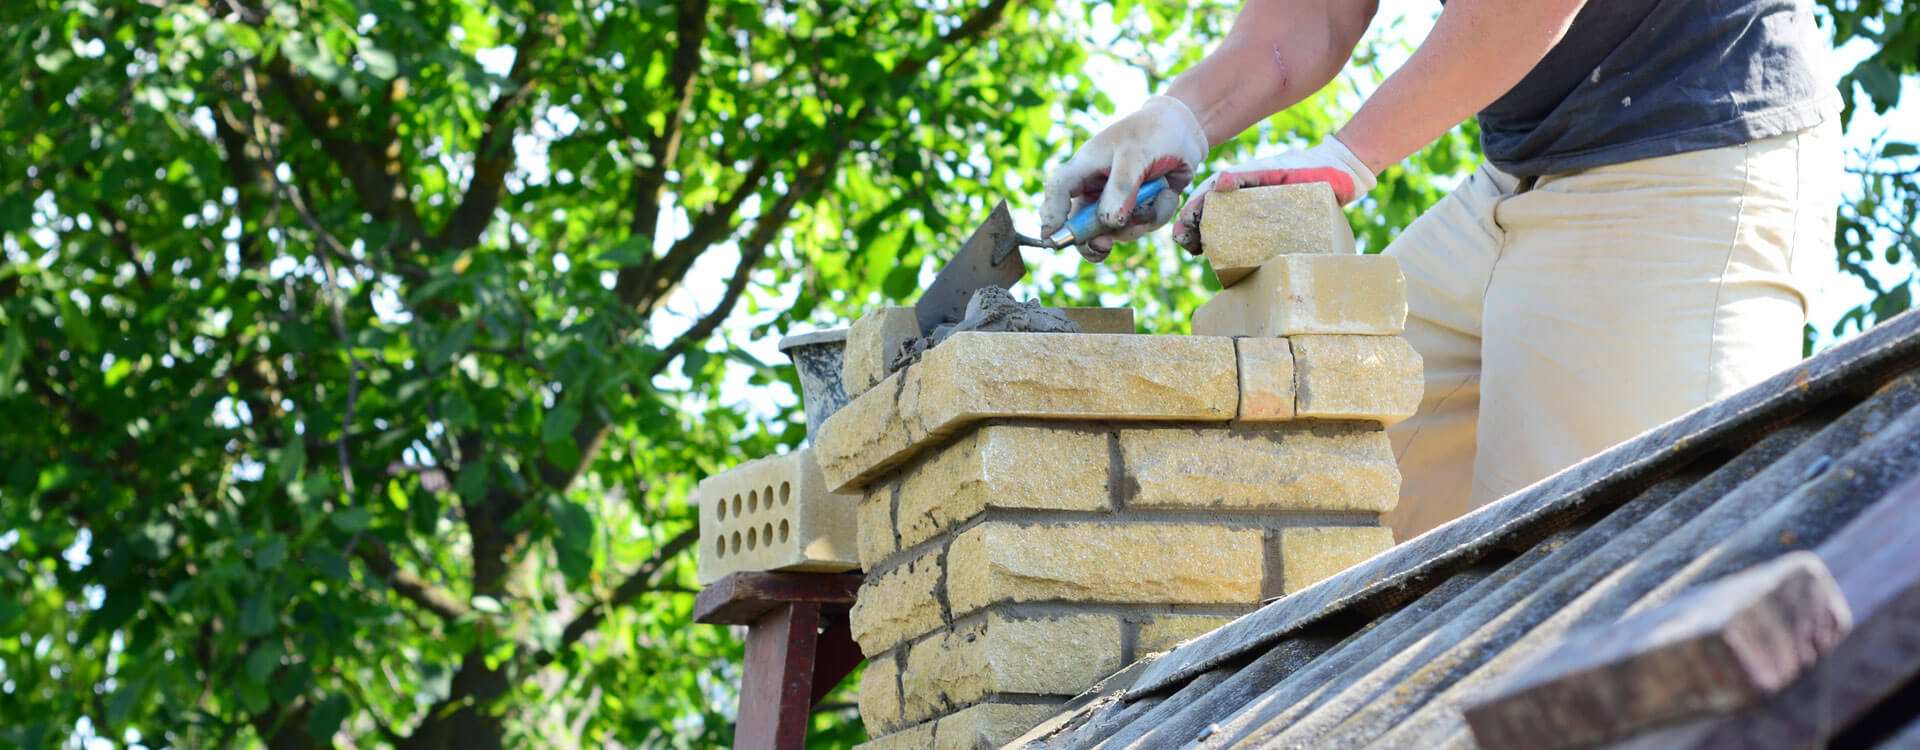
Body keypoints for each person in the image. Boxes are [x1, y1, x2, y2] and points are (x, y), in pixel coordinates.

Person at [1041, 0, 1841, 539]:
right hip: (1517, 178)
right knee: (1307, 492)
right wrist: (1181, 114)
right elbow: (1314, 15)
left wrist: (1350, 156)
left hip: (1687, 163)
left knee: (1599, 578)